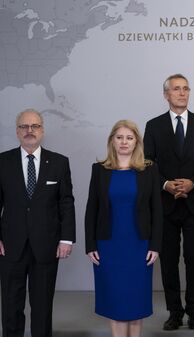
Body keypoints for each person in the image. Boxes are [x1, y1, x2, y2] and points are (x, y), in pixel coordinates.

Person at [143, 73, 194, 330]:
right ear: (166, 95)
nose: (182, 93)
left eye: (186, 88)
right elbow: (147, 163)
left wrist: (192, 182)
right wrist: (166, 184)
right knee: (169, 261)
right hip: (165, 204)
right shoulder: (153, 126)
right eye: (176, 89)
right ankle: (174, 311)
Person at [0, 109, 76, 337]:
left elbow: (66, 202)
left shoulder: (60, 163)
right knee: (11, 306)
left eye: (34, 126)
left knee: (42, 307)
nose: (29, 131)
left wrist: (66, 238)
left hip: (47, 245)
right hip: (10, 245)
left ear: (42, 130)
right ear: (17, 131)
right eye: (24, 126)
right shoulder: (2, 162)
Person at [84, 120, 163, 337]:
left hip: (139, 245)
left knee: (136, 300)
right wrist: (90, 244)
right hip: (108, 245)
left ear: (136, 141)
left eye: (129, 137)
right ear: (112, 141)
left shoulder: (149, 169)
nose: (124, 142)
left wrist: (155, 245)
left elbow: (157, 210)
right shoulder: (99, 170)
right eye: (119, 137)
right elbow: (92, 209)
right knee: (115, 300)